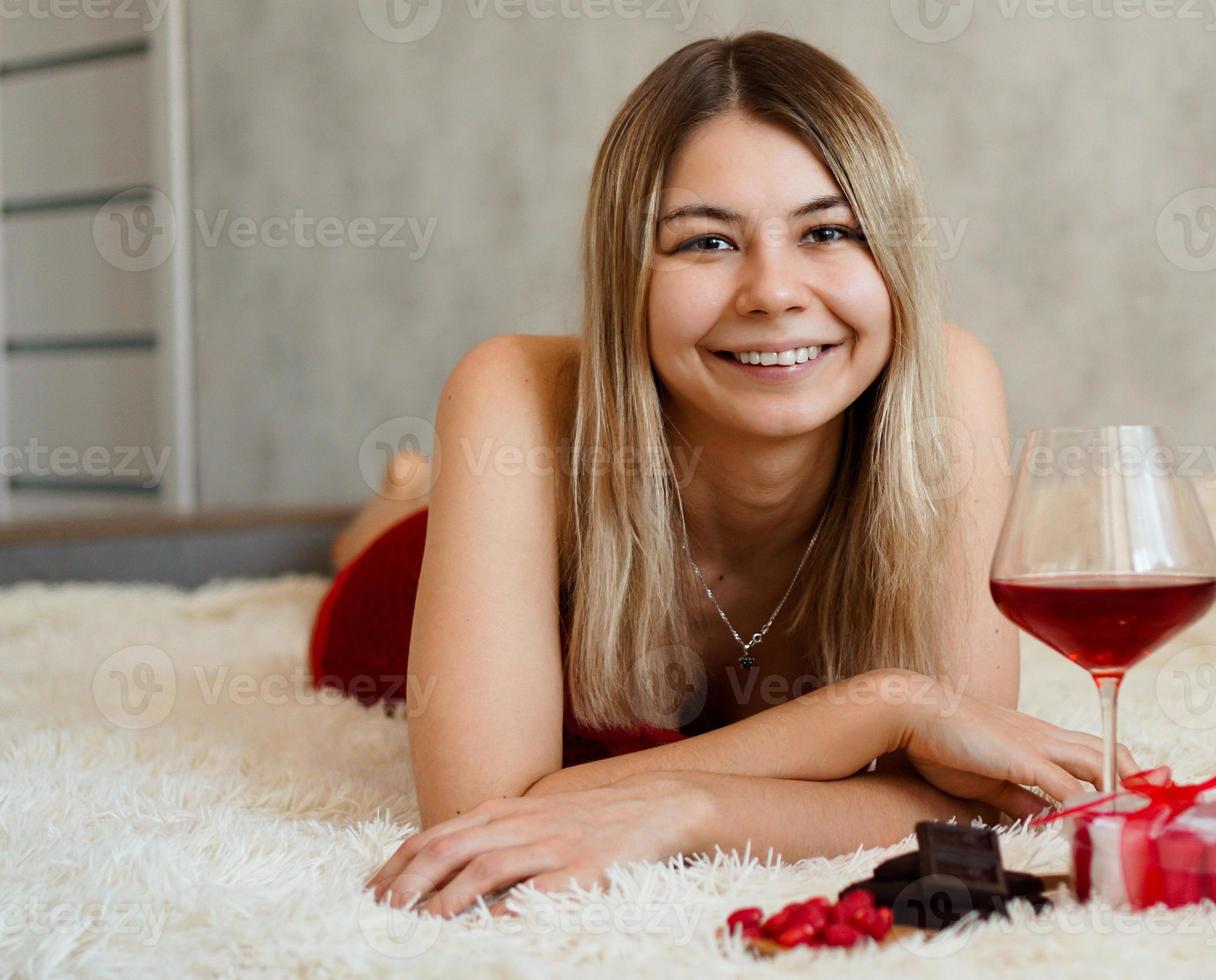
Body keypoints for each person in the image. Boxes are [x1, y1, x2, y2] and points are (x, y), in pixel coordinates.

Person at [312, 32, 1135, 918]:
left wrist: (689, 808)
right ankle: (408, 494)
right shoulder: (510, 391)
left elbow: (977, 793)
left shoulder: (951, 384)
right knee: (378, 540)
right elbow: (486, 820)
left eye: (827, 231)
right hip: (405, 583)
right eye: (706, 242)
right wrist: (882, 707)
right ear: (629, 272)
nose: (772, 293)